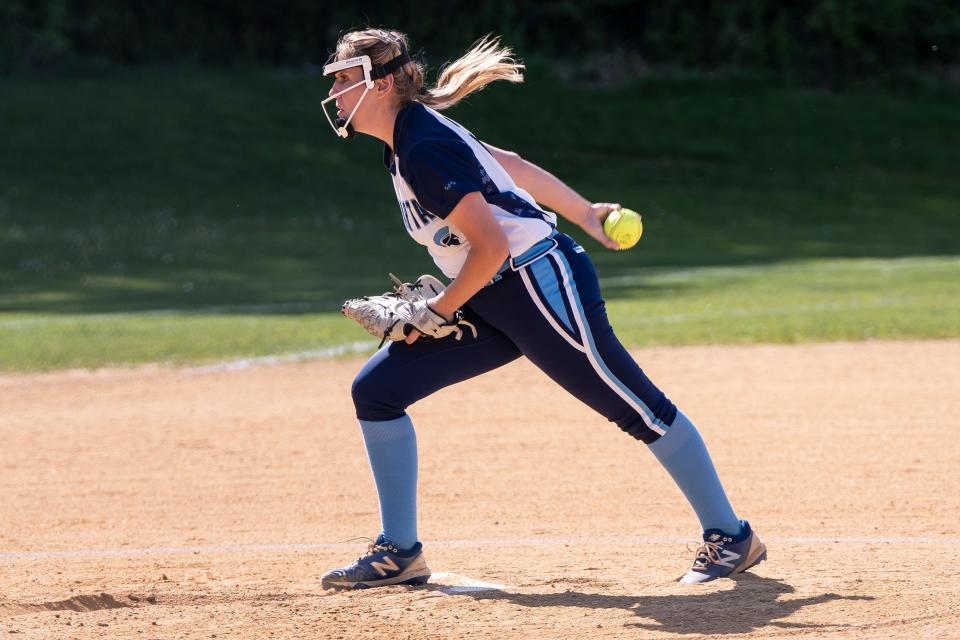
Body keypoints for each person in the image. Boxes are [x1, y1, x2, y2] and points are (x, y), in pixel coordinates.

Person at [319, 28, 766, 589]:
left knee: (634, 405)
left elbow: (494, 246)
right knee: (377, 392)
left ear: (380, 84)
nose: (335, 92)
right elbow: (508, 165)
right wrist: (583, 212)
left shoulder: (421, 144)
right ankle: (400, 552)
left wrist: (433, 312)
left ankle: (731, 536)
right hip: (490, 291)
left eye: (343, 78)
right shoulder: (408, 137)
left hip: (536, 283)